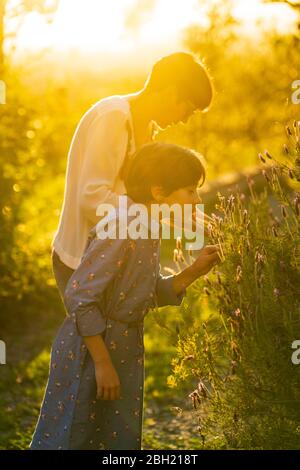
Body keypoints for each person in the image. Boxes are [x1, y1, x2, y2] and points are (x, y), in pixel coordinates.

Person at [30, 142, 220, 450]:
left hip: (122, 346)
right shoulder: (122, 226)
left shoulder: (146, 224)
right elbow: (80, 295)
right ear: (159, 192)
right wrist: (103, 363)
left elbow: (140, 292)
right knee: (74, 431)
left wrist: (193, 272)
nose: (197, 199)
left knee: (112, 433)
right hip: (91, 350)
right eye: (190, 191)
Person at [51, 52, 213, 300]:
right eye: (188, 109)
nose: (184, 120)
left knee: (120, 334)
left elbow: (145, 197)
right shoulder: (113, 117)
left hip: (111, 255)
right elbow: (92, 200)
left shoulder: (146, 127)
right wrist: (169, 214)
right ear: (171, 91)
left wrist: (197, 222)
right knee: (92, 337)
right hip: (84, 260)